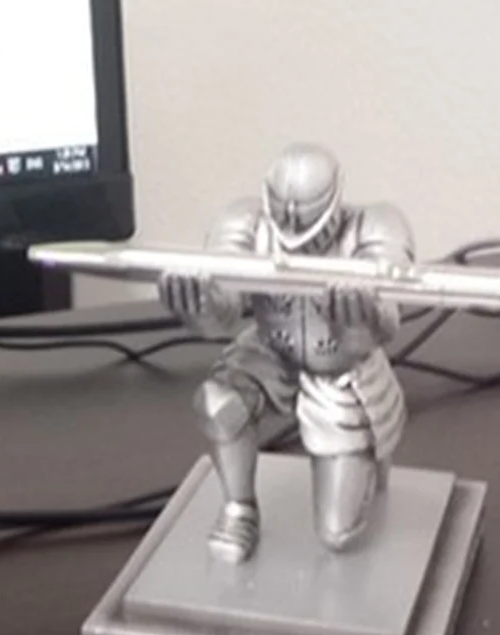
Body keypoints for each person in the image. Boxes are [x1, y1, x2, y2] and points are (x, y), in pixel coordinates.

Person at [160, 142, 414, 563]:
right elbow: (221, 314)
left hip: (341, 365)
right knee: (219, 401)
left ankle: (368, 469)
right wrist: (196, 301)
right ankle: (239, 507)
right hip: (270, 349)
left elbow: (384, 322)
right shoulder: (246, 222)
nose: (294, 224)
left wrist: (358, 315)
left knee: (338, 534)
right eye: (285, 212)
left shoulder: (375, 225)